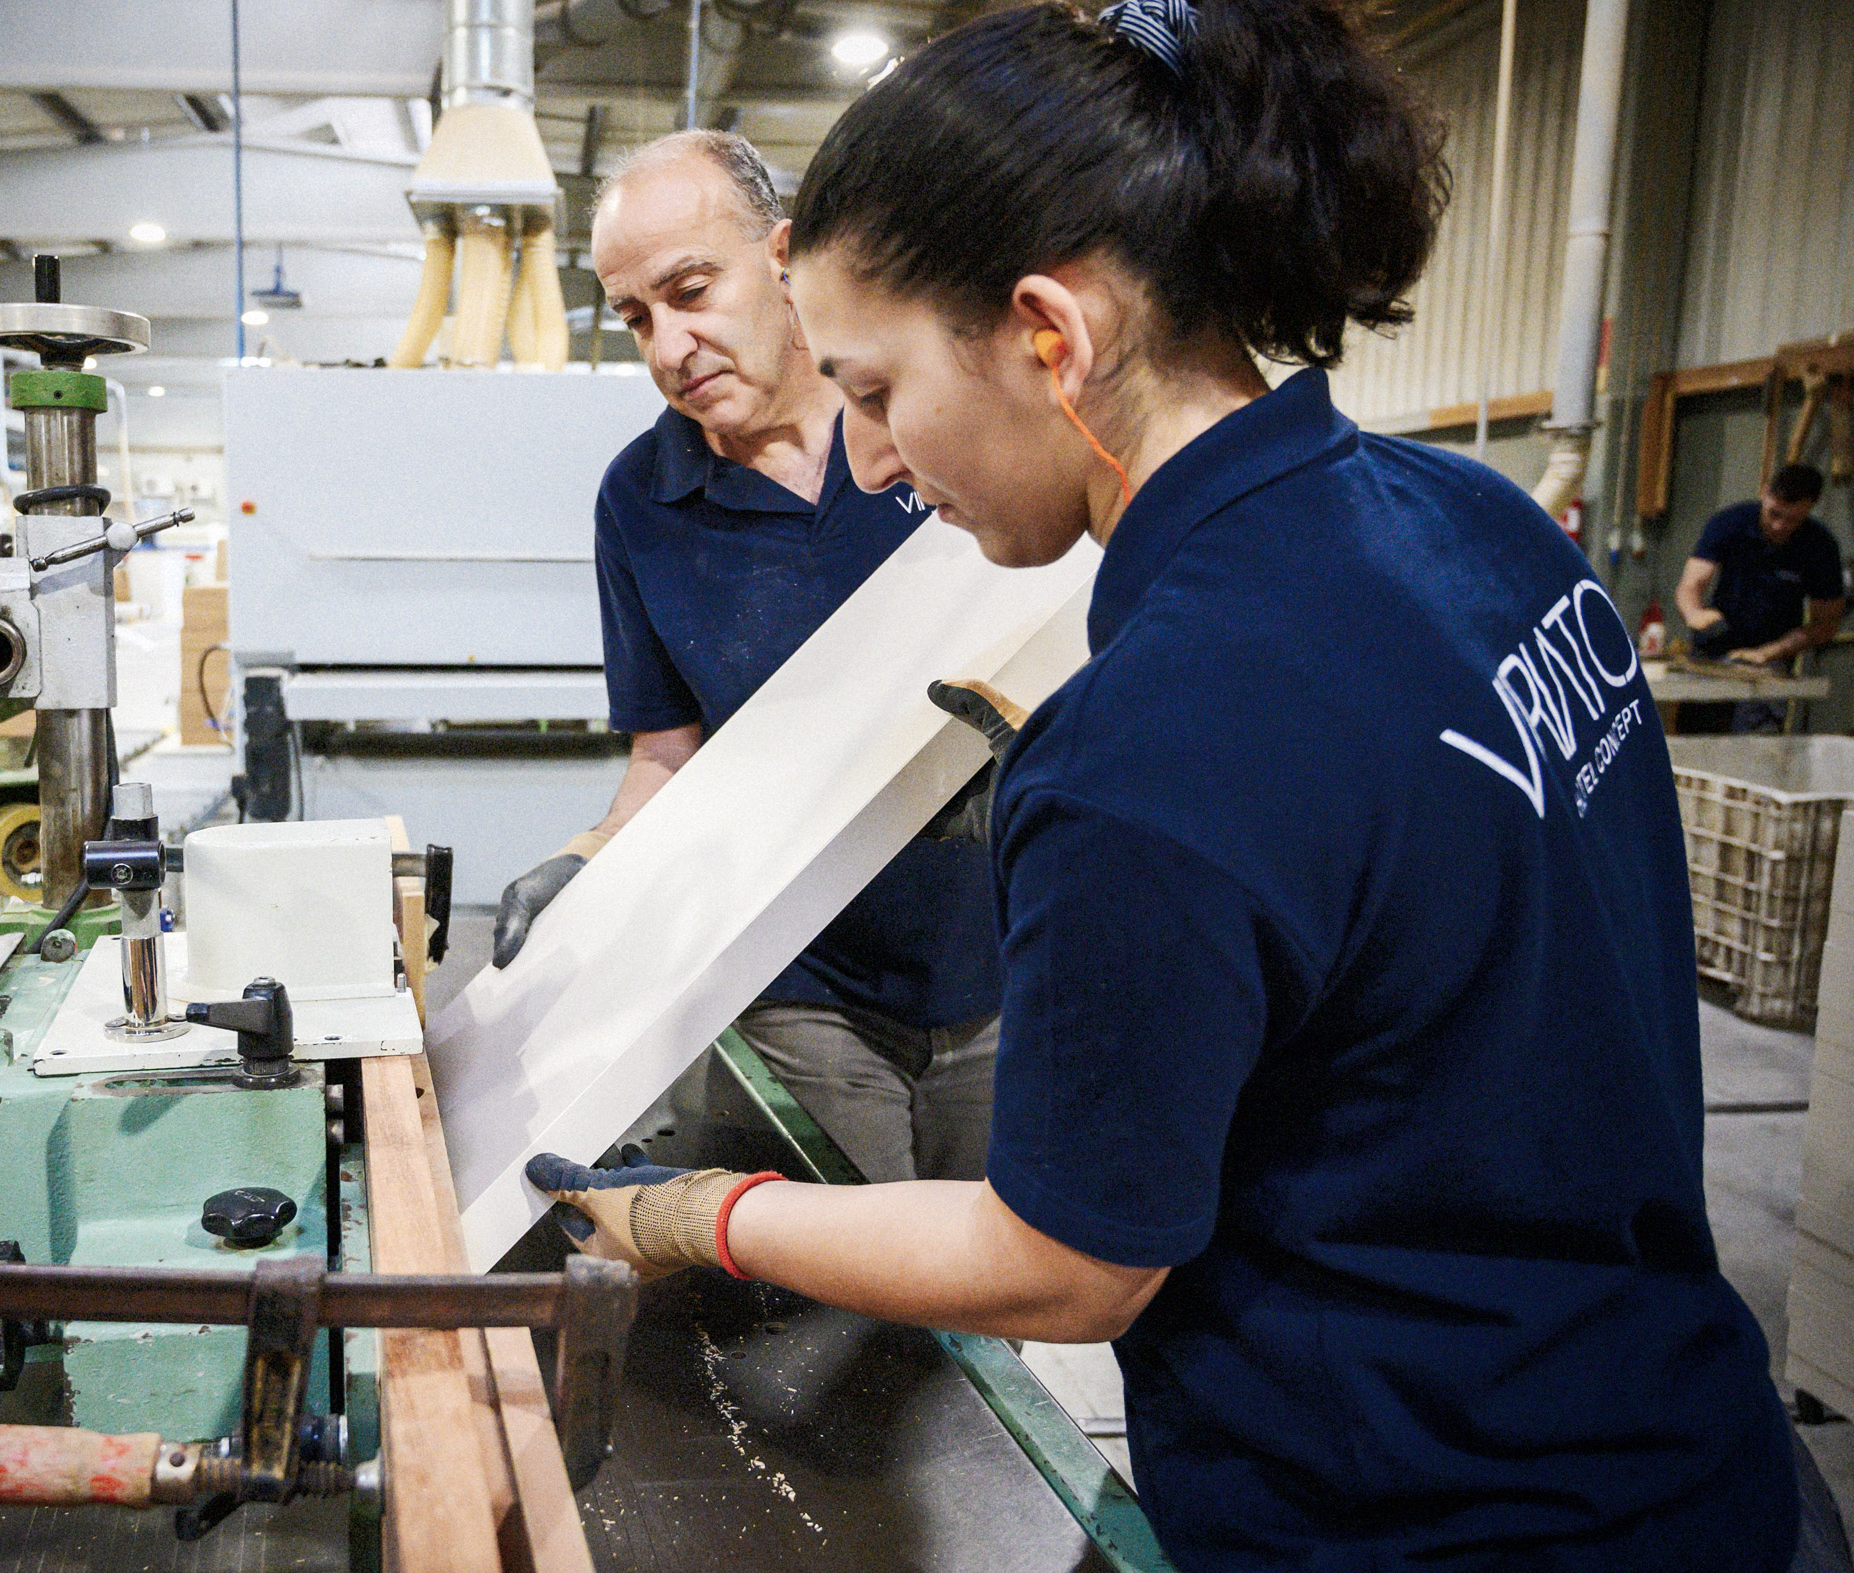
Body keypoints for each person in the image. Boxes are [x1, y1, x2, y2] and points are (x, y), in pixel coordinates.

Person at [528, 4, 1845, 1569]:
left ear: (1050, 334)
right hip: (1689, 1455)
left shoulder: (1145, 743)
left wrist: (691, 1213)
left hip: (1424, 1520)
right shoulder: (1485, 527)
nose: (872, 462)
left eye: (876, 390)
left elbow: (1063, 1267)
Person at [489, 130, 1006, 1186]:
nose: (669, 345)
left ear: (782, 257)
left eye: (690, 291)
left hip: (1005, 958)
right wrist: (591, 860)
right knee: (862, 1297)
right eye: (636, 317)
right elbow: (666, 755)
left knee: (989, 1292)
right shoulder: (642, 501)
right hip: (795, 970)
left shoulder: (929, 421)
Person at [1674, 462, 1843, 733]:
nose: (1779, 526)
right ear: (1765, 493)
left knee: (1754, 743)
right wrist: (1696, 614)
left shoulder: (1820, 546)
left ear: (1810, 508)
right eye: (1774, 514)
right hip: (1715, 649)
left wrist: (1768, 653)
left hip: (1771, 658)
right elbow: (1690, 585)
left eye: (1792, 520)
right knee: (1697, 737)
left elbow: (1826, 624)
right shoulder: (1730, 523)